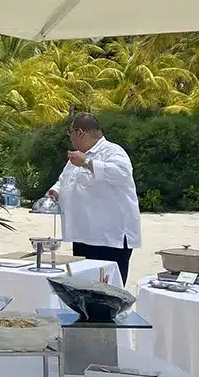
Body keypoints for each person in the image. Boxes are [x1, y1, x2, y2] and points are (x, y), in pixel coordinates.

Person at [47, 112, 141, 284]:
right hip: (83, 234)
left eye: (71, 133)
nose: (71, 139)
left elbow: (121, 174)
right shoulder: (77, 157)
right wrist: (55, 191)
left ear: (79, 133)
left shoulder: (112, 151)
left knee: (107, 289)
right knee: (83, 287)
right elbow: (64, 180)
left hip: (109, 237)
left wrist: (87, 163)